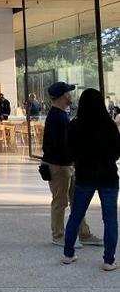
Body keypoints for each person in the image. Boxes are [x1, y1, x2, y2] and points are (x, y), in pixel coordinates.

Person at [62, 88, 120, 269]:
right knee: (110, 219)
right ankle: (108, 260)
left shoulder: (75, 125)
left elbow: (69, 151)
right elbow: (118, 152)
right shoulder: (110, 126)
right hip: (108, 176)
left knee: (76, 215)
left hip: (84, 176)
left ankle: (68, 254)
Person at [42, 81, 102, 248]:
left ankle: (83, 233)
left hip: (68, 165)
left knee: (77, 201)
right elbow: (56, 146)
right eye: (68, 92)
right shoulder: (56, 117)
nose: (71, 95)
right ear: (62, 96)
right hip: (59, 167)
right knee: (60, 202)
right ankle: (58, 236)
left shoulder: (61, 115)